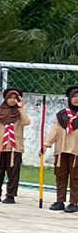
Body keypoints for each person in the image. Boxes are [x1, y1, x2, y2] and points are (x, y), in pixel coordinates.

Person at [0, 87, 31, 204]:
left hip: (14, 148)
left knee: (13, 173)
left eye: (14, 98)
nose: (12, 100)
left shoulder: (19, 113)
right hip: (0, 147)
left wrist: (21, 108)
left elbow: (27, 122)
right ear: (6, 99)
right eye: (10, 98)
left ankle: (10, 195)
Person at [44, 85, 78, 214]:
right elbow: (55, 130)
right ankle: (60, 200)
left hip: (76, 151)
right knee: (60, 175)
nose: (76, 99)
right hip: (61, 150)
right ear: (69, 98)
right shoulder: (62, 115)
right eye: (74, 96)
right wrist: (47, 144)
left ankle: (74, 202)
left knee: (76, 177)